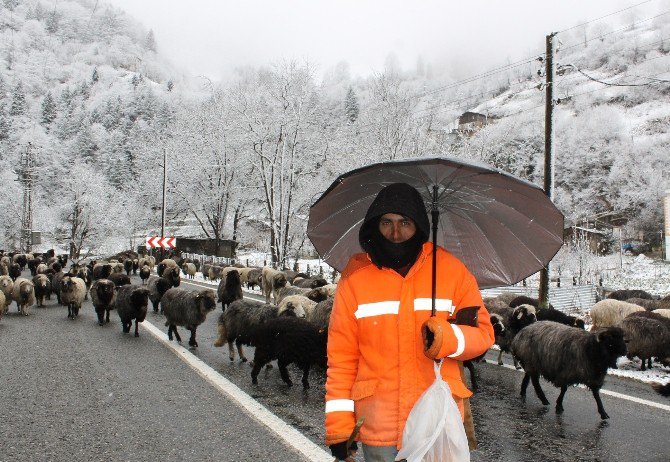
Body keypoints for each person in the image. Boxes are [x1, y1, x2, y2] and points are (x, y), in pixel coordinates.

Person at [325, 182, 495, 462]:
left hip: (437, 422)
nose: (395, 232)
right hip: (379, 425)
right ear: (373, 226)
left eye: (405, 222)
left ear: (420, 226)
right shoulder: (355, 279)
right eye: (386, 222)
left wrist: (447, 338)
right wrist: (340, 428)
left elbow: (483, 336)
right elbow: (342, 359)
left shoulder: (452, 272)